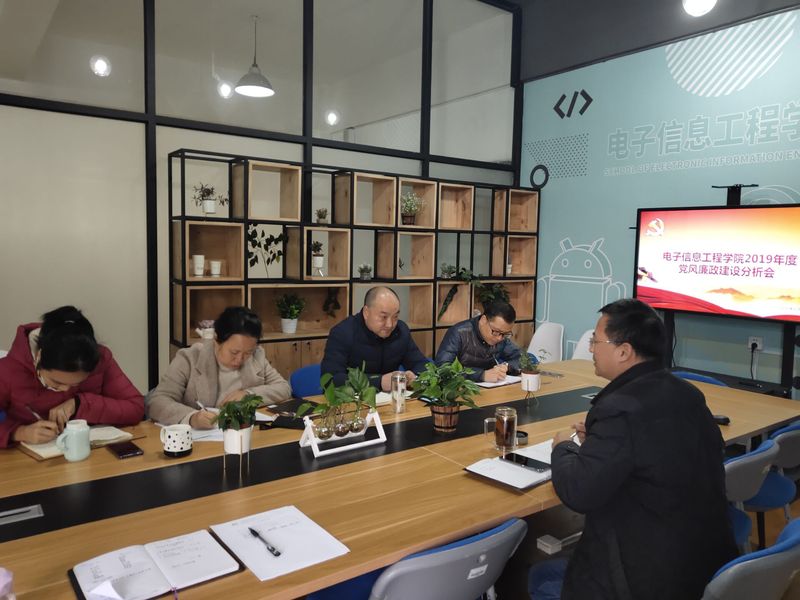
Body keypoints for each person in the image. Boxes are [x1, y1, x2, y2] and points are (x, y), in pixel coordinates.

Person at [529, 299, 737, 600]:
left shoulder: (619, 409)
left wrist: (563, 446)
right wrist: (601, 442)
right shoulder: (687, 393)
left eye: (595, 341)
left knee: (541, 578)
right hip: (706, 563)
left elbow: (577, 492)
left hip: (647, 576)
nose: (591, 349)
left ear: (624, 351)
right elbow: (655, 451)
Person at [0, 306, 144, 448]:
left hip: (92, 453)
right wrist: (19, 433)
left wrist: (79, 404)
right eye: (56, 382)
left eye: (77, 383)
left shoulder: (101, 359)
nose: (65, 389)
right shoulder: (9, 370)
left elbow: (135, 408)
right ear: (39, 357)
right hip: (28, 457)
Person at [146, 306, 291, 428]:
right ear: (216, 340)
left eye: (247, 353)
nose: (240, 359)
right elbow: (157, 401)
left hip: (244, 433)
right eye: (234, 352)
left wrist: (248, 394)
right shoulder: (190, 358)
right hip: (200, 440)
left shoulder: (256, 356)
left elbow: (284, 388)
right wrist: (192, 417)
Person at [321, 286, 428, 391]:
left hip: (390, 400)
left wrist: (415, 377)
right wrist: (379, 382)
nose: (390, 325)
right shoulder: (343, 333)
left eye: (395, 317)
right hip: (352, 400)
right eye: (383, 317)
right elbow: (330, 380)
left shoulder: (401, 330)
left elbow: (421, 364)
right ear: (366, 313)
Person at [434, 300, 521, 382]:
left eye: (505, 334)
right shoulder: (459, 333)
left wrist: (507, 367)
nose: (499, 338)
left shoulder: (501, 337)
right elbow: (442, 368)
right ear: (483, 320)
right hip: (462, 389)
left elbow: (521, 358)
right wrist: (481, 375)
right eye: (496, 332)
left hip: (492, 389)